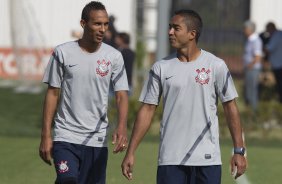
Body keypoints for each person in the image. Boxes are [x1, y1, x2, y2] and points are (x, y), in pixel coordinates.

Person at [122, 9, 247, 184]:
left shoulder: (216, 66)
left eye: (176, 28)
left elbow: (230, 107)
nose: (170, 32)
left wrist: (239, 151)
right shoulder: (160, 67)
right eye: (169, 27)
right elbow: (148, 109)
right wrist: (131, 152)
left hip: (206, 160)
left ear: (192, 34)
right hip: (170, 159)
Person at [39, 1, 129, 184]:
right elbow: (52, 93)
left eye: (105, 24)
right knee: (68, 181)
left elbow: (121, 95)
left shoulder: (114, 57)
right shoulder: (62, 53)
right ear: (83, 23)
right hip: (66, 136)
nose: (102, 29)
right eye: (97, 23)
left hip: (97, 139)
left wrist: (121, 126)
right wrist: (46, 134)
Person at [243, 20, 263, 111]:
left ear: (250, 29)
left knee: (252, 90)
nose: (244, 30)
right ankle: (249, 109)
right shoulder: (250, 40)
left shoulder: (256, 41)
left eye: (245, 28)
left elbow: (257, 57)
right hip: (249, 68)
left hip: (253, 69)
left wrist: (249, 66)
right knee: (248, 90)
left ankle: (254, 110)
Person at [265, 22, 282, 103]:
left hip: (278, 65)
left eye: (268, 30)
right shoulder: (279, 34)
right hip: (278, 64)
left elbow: (269, 49)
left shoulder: (276, 36)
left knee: (280, 85)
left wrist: (262, 46)